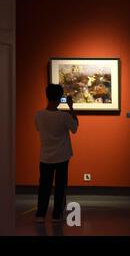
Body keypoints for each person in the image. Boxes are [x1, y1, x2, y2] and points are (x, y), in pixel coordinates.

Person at [34, 84, 78, 223]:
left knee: (44, 187)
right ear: (60, 98)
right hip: (62, 156)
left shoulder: (39, 115)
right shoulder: (64, 117)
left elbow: (38, 128)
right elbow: (75, 128)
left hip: (46, 156)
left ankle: (40, 214)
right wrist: (71, 108)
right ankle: (57, 215)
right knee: (60, 186)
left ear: (47, 96)